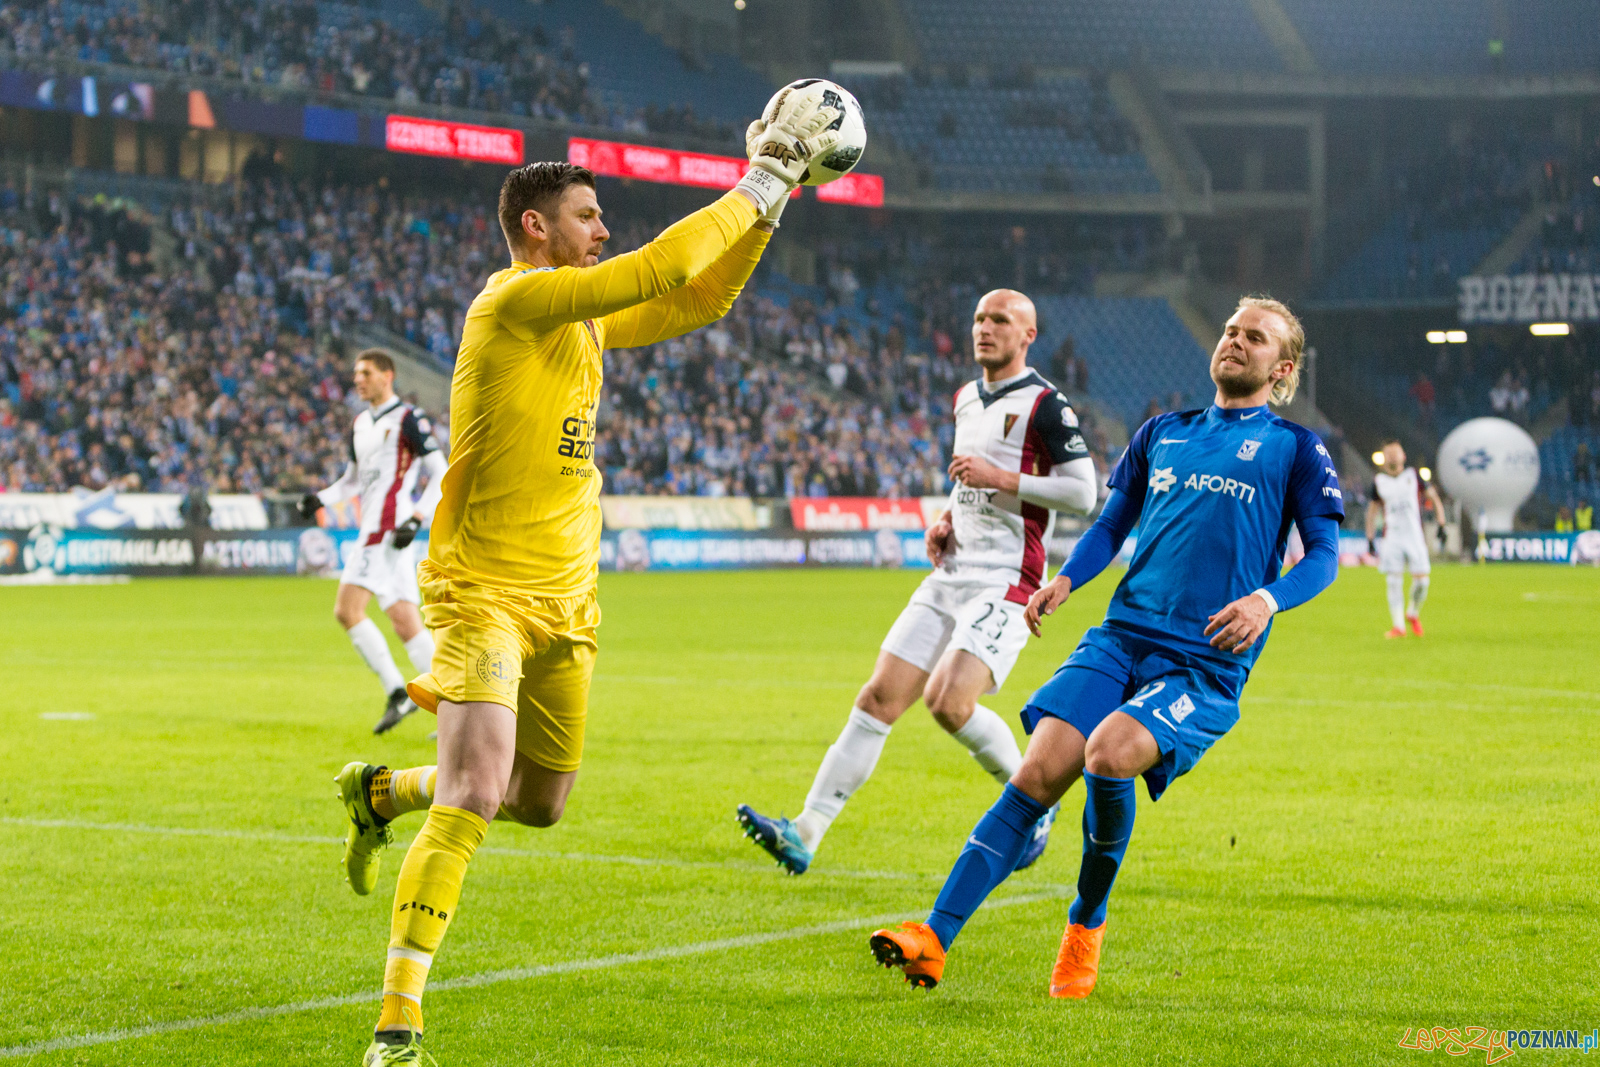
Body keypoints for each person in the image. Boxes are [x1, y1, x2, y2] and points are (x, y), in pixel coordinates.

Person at [331, 94, 842, 1066]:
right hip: (479, 588)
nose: (603, 227)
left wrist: (771, 208)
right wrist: (763, 176)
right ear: (536, 225)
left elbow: (699, 298)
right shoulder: (513, 300)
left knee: (538, 800)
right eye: (587, 215)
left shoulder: (589, 324)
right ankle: (397, 1023)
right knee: (479, 787)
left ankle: (383, 791)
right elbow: (659, 267)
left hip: (568, 597)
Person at [867, 296, 1342, 999]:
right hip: (1121, 634)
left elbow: (1325, 555)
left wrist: (1265, 599)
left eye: (1256, 337)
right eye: (1231, 328)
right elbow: (1112, 523)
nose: (1236, 341)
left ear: (1283, 368)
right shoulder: (1162, 432)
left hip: (1203, 661)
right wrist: (1065, 579)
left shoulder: (1294, 448)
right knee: (1036, 774)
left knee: (1108, 753)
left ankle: (1085, 922)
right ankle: (933, 937)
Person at [736, 289, 1098, 875]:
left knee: (949, 703)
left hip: (1008, 577)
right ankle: (804, 831)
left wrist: (1000, 476)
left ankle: (1035, 801)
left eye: (1000, 321)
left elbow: (1084, 492)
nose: (985, 328)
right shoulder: (965, 398)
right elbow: (967, 480)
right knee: (878, 698)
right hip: (952, 571)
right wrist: (947, 520)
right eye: (979, 318)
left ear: (1028, 335)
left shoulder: (1047, 406)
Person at [299, 350, 448, 733]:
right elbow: (351, 481)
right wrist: (321, 498)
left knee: (347, 611)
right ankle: (454, 708)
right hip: (380, 529)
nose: (358, 379)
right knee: (403, 619)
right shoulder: (361, 423)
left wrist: (417, 518)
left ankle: (397, 692)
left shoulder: (407, 419)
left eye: (365, 372)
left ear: (388, 375)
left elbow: (440, 473)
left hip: (387, 529)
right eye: (356, 373)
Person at [1365, 440, 1445, 638]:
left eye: (1396, 452)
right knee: (1393, 581)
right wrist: (1370, 537)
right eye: (1388, 453)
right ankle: (1398, 626)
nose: (1392, 456)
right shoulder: (1379, 482)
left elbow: (1433, 498)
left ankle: (1412, 613)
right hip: (1392, 538)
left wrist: (1441, 523)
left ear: (1403, 456)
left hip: (1414, 536)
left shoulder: (1414, 476)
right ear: (1384, 458)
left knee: (1422, 583)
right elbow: (1372, 511)